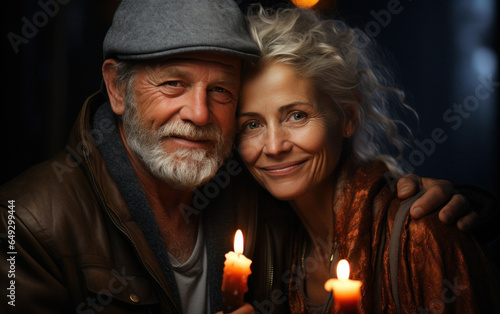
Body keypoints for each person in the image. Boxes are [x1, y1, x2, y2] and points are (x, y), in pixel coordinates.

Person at [0, 1, 480, 313]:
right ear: (116, 88)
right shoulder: (23, 218)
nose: (199, 112)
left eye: (222, 92)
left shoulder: (250, 189)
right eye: (173, 83)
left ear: (347, 117)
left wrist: (473, 210)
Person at [238, 6, 500, 313]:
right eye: (252, 124)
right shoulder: (271, 244)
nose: (273, 146)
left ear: (348, 117)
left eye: (297, 116)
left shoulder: (420, 238)